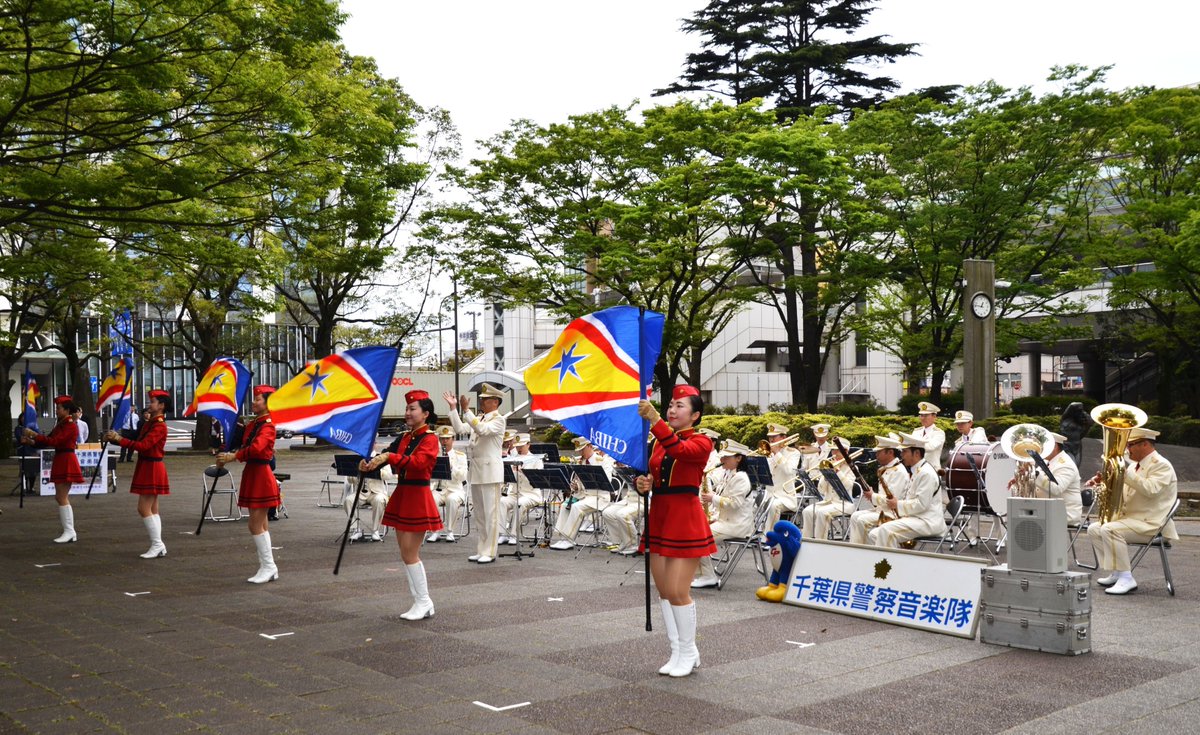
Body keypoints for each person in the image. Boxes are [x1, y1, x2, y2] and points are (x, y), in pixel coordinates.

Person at [635, 385, 716, 678]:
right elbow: (650, 473)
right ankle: (676, 650)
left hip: (685, 517)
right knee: (665, 591)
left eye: (680, 406)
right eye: (670, 404)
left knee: (680, 591)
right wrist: (641, 484)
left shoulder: (703, 441)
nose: (672, 409)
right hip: (660, 515)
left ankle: (689, 649)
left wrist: (656, 421)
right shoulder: (657, 442)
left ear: (695, 415)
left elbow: (679, 450)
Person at [363, 390, 442, 619]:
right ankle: (421, 601)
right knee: (405, 553)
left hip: (417, 496)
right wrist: (369, 463)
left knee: (410, 553)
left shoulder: (430, 439)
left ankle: (424, 601)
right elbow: (387, 455)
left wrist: (389, 458)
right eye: (407, 409)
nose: (407, 412)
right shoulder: (405, 437)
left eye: (412, 409)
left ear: (425, 414)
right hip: (403, 494)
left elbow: (418, 463)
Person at [1086, 426, 1178, 596]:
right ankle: (1117, 572)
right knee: (1094, 529)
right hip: (1133, 520)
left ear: (1145, 444)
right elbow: (1122, 490)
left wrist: (1123, 473)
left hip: (1152, 523)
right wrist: (1102, 483)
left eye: (1131, 445)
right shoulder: (1133, 466)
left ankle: (1127, 578)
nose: (1127, 450)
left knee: (1109, 529)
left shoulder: (1162, 465)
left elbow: (1151, 489)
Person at [216, 385, 281, 584]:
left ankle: (269, 566)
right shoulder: (255, 424)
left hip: (260, 474)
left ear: (268, 402)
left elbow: (258, 449)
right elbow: (246, 445)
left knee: (254, 524)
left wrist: (234, 455)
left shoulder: (268, 425)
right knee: (260, 524)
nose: (254, 402)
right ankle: (268, 566)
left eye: (258, 399)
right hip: (253, 472)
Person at [444, 383, 506, 564]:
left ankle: (490, 551)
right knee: (480, 513)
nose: (482, 402)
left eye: (485, 400)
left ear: (495, 402)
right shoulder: (479, 418)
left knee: (491, 514)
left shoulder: (498, 420)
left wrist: (466, 410)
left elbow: (482, 430)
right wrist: (454, 409)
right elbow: (460, 429)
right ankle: (482, 549)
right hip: (478, 471)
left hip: (491, 471)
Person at [105, 390, 170, 558]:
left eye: (153, 402)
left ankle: (157, 544)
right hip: (149, 466)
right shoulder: (151, 422)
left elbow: (144, 446)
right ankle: (159, 545)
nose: (150, 404)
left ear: (162, 405)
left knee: (143, 508)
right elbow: (136, 439)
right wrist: (115, 438)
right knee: (153, 509)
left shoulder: (159, 425)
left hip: (152, 467)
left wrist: (119, 440)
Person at [692, 440, 755, 588]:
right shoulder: (729, 474)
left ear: (739, 458)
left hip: (736, 525)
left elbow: (734, 504)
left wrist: (712, 498)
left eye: (727, 457)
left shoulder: (741, 478)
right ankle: (700, 573)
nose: (722, 460)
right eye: (722, 457)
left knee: (699, 537)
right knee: (694, 530)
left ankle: (708, 576)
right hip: (726, 520)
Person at [867, 432, 947, 548]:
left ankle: (889, 564)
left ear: (917, 453)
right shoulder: (918, 469)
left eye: (905, 451)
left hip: (928, 522)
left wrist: (897, 504)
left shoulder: (925, 473)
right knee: (875, 534)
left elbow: (921, 504)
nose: (901, 455)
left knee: (885, 531)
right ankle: (885, 561)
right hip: (917, 518)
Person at [22, 396, 84, 543]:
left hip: (67, 459)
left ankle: (69, 531)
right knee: (60, 497)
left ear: (67, 410)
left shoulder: (70, 425)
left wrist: (35, 435)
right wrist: (31, 441)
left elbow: (55, 441)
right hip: (61, 459)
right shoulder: (61, 424)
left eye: (59, 408)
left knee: (61, 497)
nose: (56, 410)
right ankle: (69, 531)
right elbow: (48, 441)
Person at [549, 437, 615, 550]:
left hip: (600, 497)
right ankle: (561, 536)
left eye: (582, 449)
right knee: (565, 505)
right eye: (579, 450)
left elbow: (606, 481)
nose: (580, 453)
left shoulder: (602, 461)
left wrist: (589, 478)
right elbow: (581, 485)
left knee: (576, 507)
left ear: (590, 446)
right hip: (585, 496)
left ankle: (568, 539)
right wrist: (577, 486)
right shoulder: (582, 461)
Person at [849, 434, 910, 545]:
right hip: (882, 510)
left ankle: (866, 552)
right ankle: (856, 548)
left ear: (890, 452)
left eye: (879, 452)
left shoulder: (899, 471)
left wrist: (873, 496)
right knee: (855, 516)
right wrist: (872, 495)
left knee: (862, 520)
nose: (876, 455)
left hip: (892, 513)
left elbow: (891, 499)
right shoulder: (885, 468)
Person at [798, 440, 857, 541]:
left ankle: (820, 542)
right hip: (828, 501)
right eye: (833, 451)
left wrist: (838, 471)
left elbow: (848, 486)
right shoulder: (829, 465)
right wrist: (826, 475)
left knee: (822, 513)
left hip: (844, 503)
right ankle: (807, 540)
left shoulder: (851, 468)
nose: (834, 453)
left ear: (845, 452)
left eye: (837, 451)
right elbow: (821, 489)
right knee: (807, 511)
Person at [1022, 430, 1083, 525]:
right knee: (1018, 514)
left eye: (1043, 446)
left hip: (1065, 513)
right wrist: (1023, 477)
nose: (1040, 449)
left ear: (1054, 446)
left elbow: (1056, 489)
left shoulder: (1066, 465)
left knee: (1023, 519)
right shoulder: (1048, 462)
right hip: (1047, 510)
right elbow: (1040, 485)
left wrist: (1035, 472)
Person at [499, 434, 543, 545]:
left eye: (521, 446)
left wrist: (522, 471)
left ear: (528, 445)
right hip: (515, 492)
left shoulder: (536, 460)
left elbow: (537, 481)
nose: (519, 449)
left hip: (531, 494)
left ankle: (514, 534)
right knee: (502, 502)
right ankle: (503, 534)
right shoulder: (514, 458)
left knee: (520, 503)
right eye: (517, 446)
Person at [427, 425, 467, 543]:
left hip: (455, 489)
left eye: (447, 439)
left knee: (452, 499)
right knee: (431, 497)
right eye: (442, 439)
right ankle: (435, 531)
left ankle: (450, 531)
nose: (444, 441)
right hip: (440, 488)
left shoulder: (461, 456)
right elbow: (430, 477)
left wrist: (451, 467)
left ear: (453, 439)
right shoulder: (435, 456)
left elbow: (463, 477)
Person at [343, 449, 391, 543]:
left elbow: (389, 475)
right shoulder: (357, 459)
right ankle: (356, 529)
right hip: (361, 493)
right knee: (348, 500)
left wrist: (377, 470)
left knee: (379, 500)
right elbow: (350, 480)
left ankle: (375, 530)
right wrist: (357, 472)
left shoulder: (380, 457)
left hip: (376, 492)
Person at [763, 423, 801, 531]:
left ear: (784, 438)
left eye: (774, 437)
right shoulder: (769, 453)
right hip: (770, 494)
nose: (771, 440)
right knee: (756, 502)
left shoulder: (794, 453)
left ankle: (769, 538)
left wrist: (777, 453)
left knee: (774, 506)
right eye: (770, 437)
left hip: (786, 497)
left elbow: (789, 471)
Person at [915, 402, 946, 471]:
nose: (923, 418)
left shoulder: (939, 433)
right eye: (921, 415)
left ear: (934, 417)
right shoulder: (916, 431)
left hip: (932, 469)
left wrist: (915, 444)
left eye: (926, 415)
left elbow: (930, 447)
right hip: (916, 469)